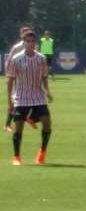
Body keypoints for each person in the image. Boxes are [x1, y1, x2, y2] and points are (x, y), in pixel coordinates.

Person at [5, 29, 52, 165]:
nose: (31, 44)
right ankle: (16, 156)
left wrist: (47, 91)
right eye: (28, 41)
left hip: (38, 96)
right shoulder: (16, 59)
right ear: (24, 43)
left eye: (33, 41)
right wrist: (10, 101)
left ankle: (42, 151)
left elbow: (44, 77)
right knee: (18, 127)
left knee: (47, 123)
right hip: (21, 96)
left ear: (35, 43)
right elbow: (10, 81)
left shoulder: (41, 58)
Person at [4, 25, 31, 132]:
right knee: (16, 100)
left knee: (30, 98)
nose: (26, 34)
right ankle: (7, 124)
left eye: (27, 32)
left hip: (28, 79)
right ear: (21, 35)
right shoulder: (17, 47)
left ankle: (27, 117)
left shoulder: (32, 45)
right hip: (17, 79)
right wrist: (8, 75)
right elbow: (9, 61)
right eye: (24, 32)